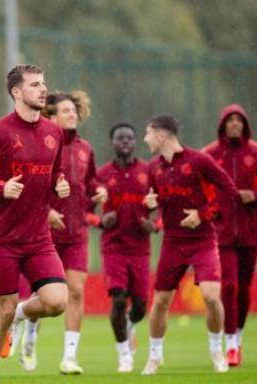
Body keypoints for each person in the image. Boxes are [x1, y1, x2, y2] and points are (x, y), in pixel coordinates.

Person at [0, 64, 70, 384]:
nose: (42, 89)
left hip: (39, 239)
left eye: (44, 83)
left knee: (57, 302)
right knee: (2, 313)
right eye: (35, 84)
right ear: (16, 92)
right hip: (3, 240)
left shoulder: (54, 133)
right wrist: (0, 189)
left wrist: (60, 184)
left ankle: (21, 315)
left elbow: (56, 173)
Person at [15, 90, 107, 375]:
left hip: (77, 232)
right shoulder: (41, 144)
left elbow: (90, 184)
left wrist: (99, 192)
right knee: (40, 294)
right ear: (50, 116)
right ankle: (28, 328)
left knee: (76, 291)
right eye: (65, 110)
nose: (72, 114)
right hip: (43, 233)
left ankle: (69, 357)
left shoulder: (85, 148)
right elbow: (26, 187)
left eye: (73, 110)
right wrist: (46, 212)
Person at [140, 114, 238, 375]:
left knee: (211, 297)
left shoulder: (199, 160)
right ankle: (154, 356)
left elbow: (228, 189)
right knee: (160, 301)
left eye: (148, 133)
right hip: (172, 242)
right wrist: (152, 206)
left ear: (161, 136)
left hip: (203, 240)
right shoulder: (154, 167)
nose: (145, 139)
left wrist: (202, 214)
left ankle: (217, 350)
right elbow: (157, 203)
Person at [202, 104, 257, 366]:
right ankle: (231, 344)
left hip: (250, 232)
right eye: (230, 120)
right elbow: (199, 187)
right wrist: (210, 209)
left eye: (239, 120)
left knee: (245, 289)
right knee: (229, 286)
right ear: (222, 125)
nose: (234, 124)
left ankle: (239, 336)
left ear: (245, 125)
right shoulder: (210, 155)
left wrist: (255, 196)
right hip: (221, 233)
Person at [95, 123, 157, 372]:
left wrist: (154, 223)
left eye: (130, 138)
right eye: (120, 138)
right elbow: (84, 212)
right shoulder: (101, 174)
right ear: (112, 142)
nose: (125, 142)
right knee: (119, 301)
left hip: (140, 250)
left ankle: (130, 325)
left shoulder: (148, 171)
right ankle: (124, 355)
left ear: (135, 142)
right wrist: (100, 221)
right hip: (113, 248)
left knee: (140, 306)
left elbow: (161, 205)